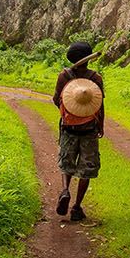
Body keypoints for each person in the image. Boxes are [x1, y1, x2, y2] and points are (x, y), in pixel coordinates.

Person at [52, 42, 105, 223]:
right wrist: (101, 125)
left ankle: (65, 189)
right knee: (86, 168)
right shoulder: (95, 78)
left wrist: (69, 112)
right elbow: (99, 104)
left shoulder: (64, 76)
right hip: (89, 128)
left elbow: (55, 99)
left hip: (68, 127)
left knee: (67, 162)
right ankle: (76, 207)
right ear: (88, 59)